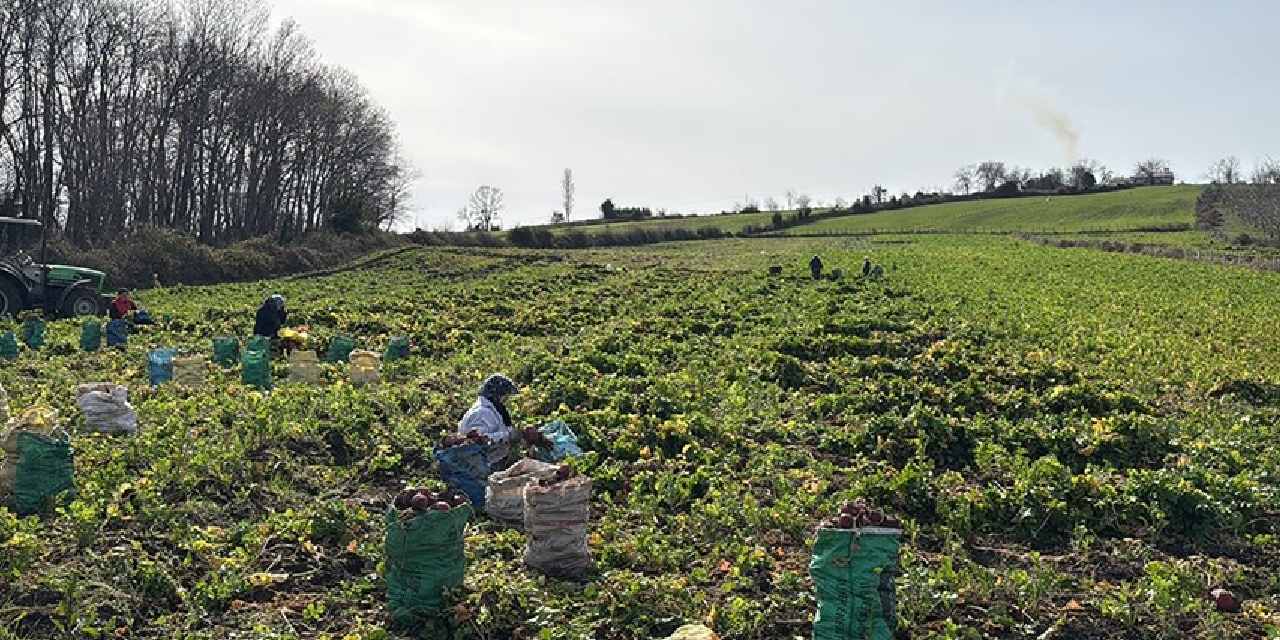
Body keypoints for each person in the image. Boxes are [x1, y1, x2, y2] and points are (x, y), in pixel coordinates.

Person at [458, 374, 543, 469]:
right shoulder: (482, 413)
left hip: (490, 462)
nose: (505, 400)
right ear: (497, 395)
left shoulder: (492, 410)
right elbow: (477, 442)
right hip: (480, 467)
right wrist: (510, 435)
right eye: (504, 397)